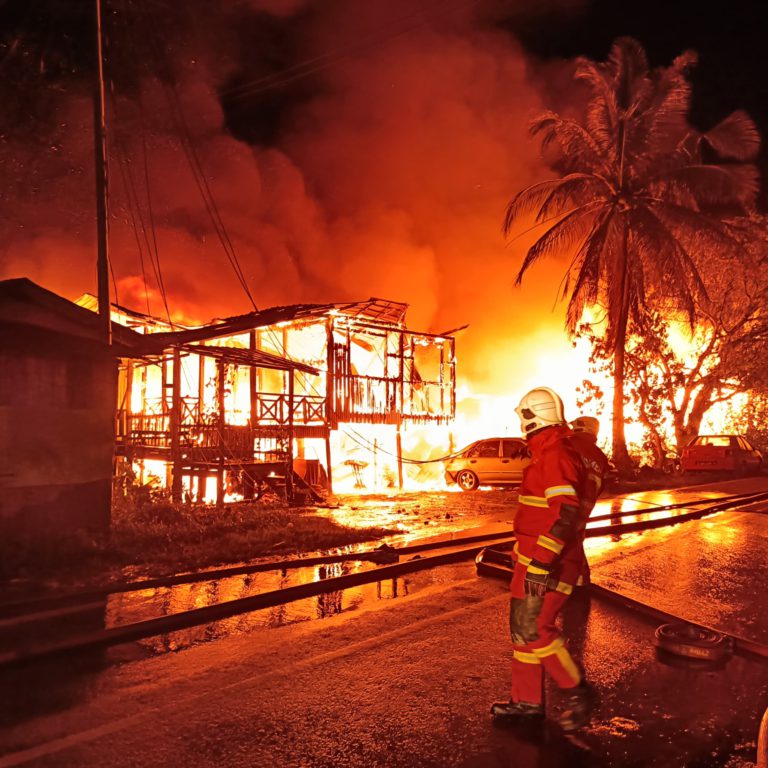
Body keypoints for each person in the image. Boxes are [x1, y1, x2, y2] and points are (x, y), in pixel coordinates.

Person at [490, 387, 596, 732]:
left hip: (549, 564)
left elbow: (564, 512)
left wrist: (541, 562)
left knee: (534, 627)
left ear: (531, 416)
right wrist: (522, 555)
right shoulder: (546, 452)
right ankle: (526, 703)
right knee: (522, 632)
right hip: (532, 560)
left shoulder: (556, 455)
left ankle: (578, 692)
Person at [568, 416, 611, 588]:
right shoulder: (600, 456)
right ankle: (581, 580)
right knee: (575, 539)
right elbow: (603, 482)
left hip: (561, 503)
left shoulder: (566, 445)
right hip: (585, 506)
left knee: (560, 541)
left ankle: (573, 583)